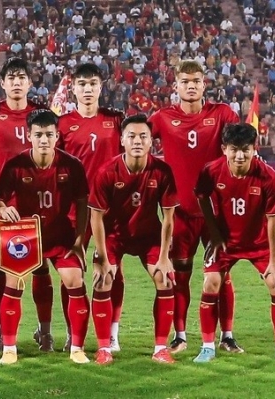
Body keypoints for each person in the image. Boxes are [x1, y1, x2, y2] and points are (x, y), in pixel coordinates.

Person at [148, 60, 242, 354]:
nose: (191, 85)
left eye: (196, 81)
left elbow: (241, 148)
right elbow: (135, 141)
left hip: (216, 213)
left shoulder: (223, 114)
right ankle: (180, 334)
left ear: (204, 85)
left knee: (222, 274)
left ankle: (226, 335)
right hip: (180, 213)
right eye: (185, 81)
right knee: (180, 274)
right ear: (175, 86)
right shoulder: (162, 118)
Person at [0, 109, 90, 365]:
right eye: (38, 135)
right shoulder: (16, 165)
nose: (44, 140)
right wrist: (4, 209)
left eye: (49, 134)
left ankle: (77, 347)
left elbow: (82, 203)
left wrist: (79, 240)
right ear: (29, 136)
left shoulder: (72, 165)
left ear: (57, 136)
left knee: (74, 278)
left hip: (60, 236)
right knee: (13, 282)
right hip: (26, 237)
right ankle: (10, 348)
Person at [193, 123, 275, 364]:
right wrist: (215, 234)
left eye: (245, 149)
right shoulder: (211, 171)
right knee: (211, 282)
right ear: (224, 149)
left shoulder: (268, 176)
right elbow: (202, 198)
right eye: (234, 149)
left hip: (259, 243)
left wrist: (273, 260)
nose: (240, 155)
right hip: (225, 243)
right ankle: (207, 346)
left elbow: (273, 219)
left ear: (254, 149)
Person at [88, 114, 178, 365]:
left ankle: (161, 347)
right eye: (132, 136)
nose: (137, 141)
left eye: (143, 137)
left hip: (148, 236)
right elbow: (95, 218)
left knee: (165, 279)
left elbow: (169, 218)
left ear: (152, 142)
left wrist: (164, 258)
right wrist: (102, 257)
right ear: (122, 140)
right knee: (103, 279)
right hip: (114, 235)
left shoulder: (162, 171)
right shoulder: (107, 171)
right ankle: (104, 348)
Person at [0, 57, 51, 354]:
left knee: (42, 267)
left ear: (30, 83)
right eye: (12, 77)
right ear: (3, 83)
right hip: (5, 205)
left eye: (22, 77)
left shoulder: (42, 115)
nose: (17, 82)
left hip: (39, 202)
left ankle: (45, 333)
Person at [57, 63, 125, 352]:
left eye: (92, 84)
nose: (87, 89)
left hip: (110, 211)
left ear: (101, 87)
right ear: (73, 88)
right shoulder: (62, 125)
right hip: (73, 211)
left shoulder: (115, 120)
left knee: (113, 271)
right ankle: (74, 332)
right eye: (82, 84)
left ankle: (112, 332)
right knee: (70, 273)